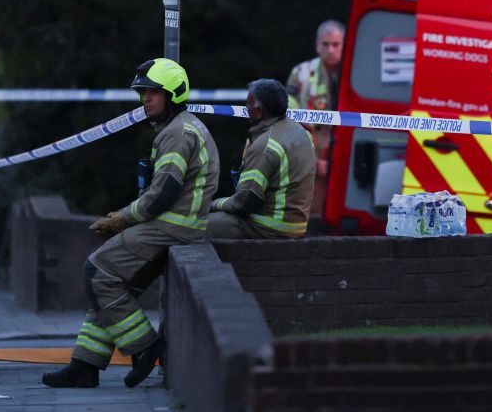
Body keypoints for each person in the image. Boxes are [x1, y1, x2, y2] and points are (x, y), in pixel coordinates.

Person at [42, 58, 220, 389]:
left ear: (173, 94)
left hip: (170, 226)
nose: (145, 99)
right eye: (143, 93)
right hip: (179, 226)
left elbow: (163, 192)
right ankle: (85, 364)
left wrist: (121, 219)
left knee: (96, 272)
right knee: (113, 288)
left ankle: (144, 347)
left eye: (153, 92)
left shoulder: (178, 133)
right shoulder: (182, 127)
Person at [206, 79, 315, 239]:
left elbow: (245, 202)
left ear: (258, 111)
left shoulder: (264, 147)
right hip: (296, 225)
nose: (245, 108)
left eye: (248, 104)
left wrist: (214, 204)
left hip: (270, 225)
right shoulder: (301, 132)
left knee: (199, 226)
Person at [286, 19, 343, 216]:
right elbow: (291, 123)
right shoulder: (301, 74)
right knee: (311, 216)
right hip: (311, 159)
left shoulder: (355, 75)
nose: (330, 50)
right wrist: (314, 161)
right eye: (326, 44)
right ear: (317, 45)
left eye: (336, 44)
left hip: (345, 160)